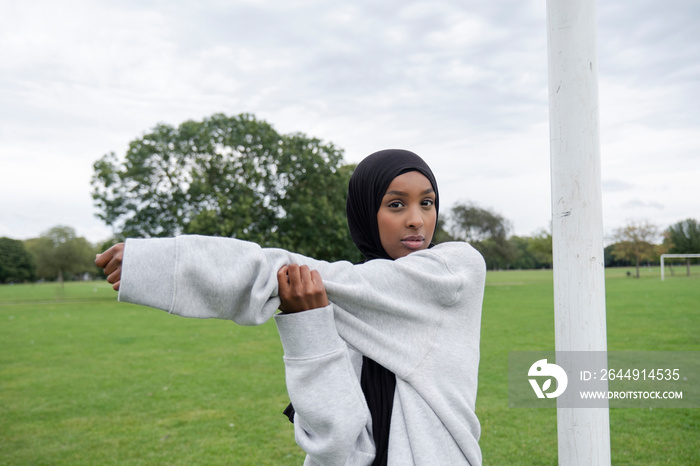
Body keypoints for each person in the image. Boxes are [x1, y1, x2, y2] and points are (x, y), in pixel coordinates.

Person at [96, 149, 486, 465]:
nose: (417, 220)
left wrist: (163, 265)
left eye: (428, 203)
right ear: (366, 213)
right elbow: (338, 448)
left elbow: (290, 272)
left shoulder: (454, 273)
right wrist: (310, 328)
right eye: (397, 204)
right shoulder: (344, 308)